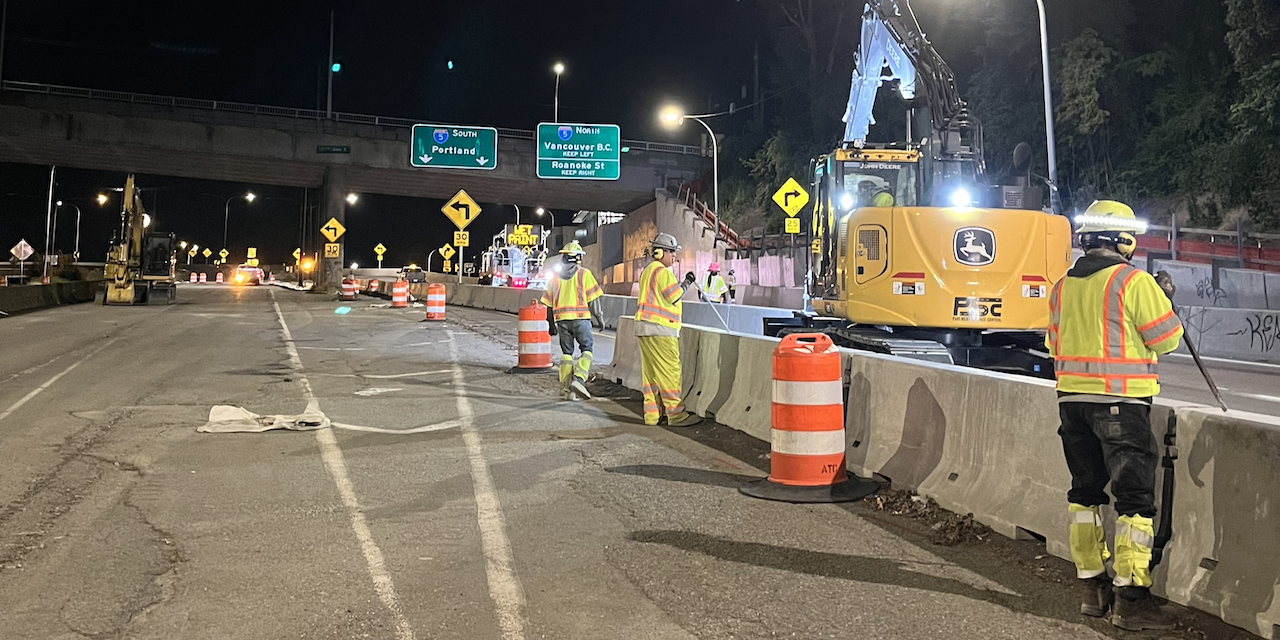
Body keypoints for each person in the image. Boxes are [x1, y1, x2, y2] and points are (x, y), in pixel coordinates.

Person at [1046, 200, 1183, 631]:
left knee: (1084, 494)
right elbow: (1167, 341)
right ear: (1122, 239)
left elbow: (1054, 345)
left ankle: (1092, 589)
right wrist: (1165, 299)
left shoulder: (1062, 286)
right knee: (1135, 503)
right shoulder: (1133, 281)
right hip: (1122, 405)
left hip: (1072, 405)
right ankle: (1131, 599)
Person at [635, 233, 702, 427]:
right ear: (659, 252)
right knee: (670, 371)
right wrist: (687, 283)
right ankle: (675, 414)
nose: (674, 256)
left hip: (644, 327)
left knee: (650, 375)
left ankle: (652, 415)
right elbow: (673, 296)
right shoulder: (662, 272)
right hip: (661, 328)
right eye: (671, 252)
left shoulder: (648, 271)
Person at [542, 242, 604, 400]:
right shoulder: (584, 274)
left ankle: (566, 389)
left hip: (562, 321)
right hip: (581, 320)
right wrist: (600, 318)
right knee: (587, 349)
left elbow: (548, 305)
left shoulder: (555, 278)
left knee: (567, 354)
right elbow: (594, 303)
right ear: (577, 258)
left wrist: (551, 325)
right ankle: (579, 379)